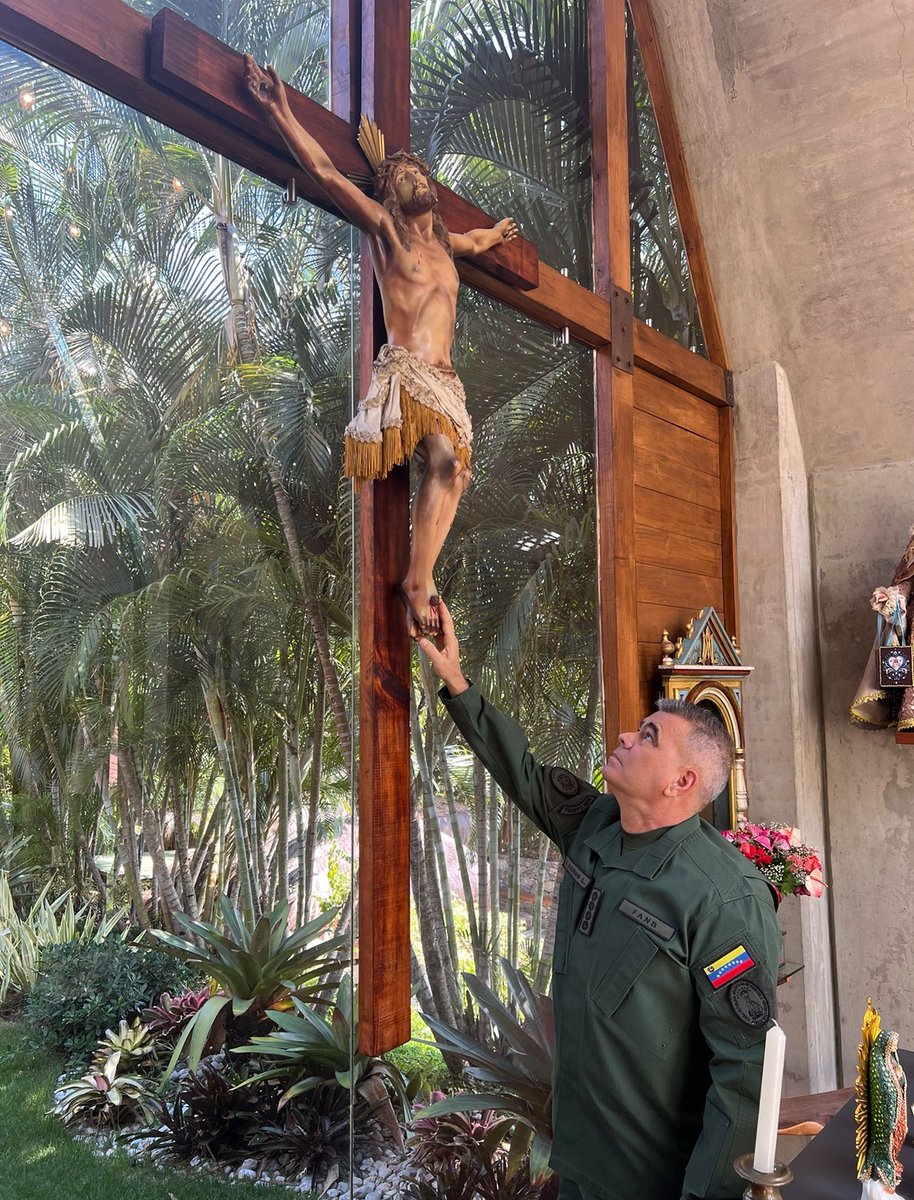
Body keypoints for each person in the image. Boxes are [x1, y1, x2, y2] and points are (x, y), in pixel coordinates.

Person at [418, 600, 782, 1200]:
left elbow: (745, 1073)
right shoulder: (597, 825)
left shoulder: (724, 897)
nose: (624, 735)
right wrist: (457, 683)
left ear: (681, 782)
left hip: (652, 1182)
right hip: (582, 1159)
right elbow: (525, 774)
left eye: (648, 737)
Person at [242, 56, 518, 637]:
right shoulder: (387, 236)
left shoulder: (447, 247)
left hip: (448, 384)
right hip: (408, 372)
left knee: (455, 474)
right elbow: (326, 174)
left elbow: (477, 241)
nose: (418, 179)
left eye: (421, 174)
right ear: (389, 195)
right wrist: (282, 112)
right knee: (443, 462)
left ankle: (422, 576)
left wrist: (495, 236)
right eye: (404, 177)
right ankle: (418, 583)